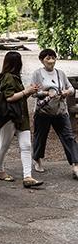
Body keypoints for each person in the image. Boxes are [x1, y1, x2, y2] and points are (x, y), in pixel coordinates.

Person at [0, 52, 43, 188]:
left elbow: (18, 98)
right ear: (17, 63)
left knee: (26, 145)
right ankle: (0, 170)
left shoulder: (14, 77)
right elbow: (9, 97)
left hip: (20, 116)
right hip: (9, 117)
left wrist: (30, 91)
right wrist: (27, 91)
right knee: (4, 145)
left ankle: (28, 176)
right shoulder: (8, 77)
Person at [30, 48, 78, 177]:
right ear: (42, 60)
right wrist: (47, 93)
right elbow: (33, 93)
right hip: (43, 111)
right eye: (47, 57)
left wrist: (66, 92)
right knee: (40, 137)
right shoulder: (37, 74)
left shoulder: (60, 73)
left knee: (69, 137)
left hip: (60, 111)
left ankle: (76, 165)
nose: (51, 60)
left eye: (53, 57)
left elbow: (71, 88)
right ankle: (38, 160)